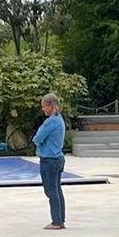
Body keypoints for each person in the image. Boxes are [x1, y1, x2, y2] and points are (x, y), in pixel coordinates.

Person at [33, 93, 66, 230]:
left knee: (51, 191)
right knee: (57, 189)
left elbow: (38, 138)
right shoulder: (60, 120)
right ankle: (60, 219)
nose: (42, 109)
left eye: (44, 106)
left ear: (51, 106)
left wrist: (37, 141)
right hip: (58, 158)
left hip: (49, 160)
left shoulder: (51, 121)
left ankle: (56, 222)